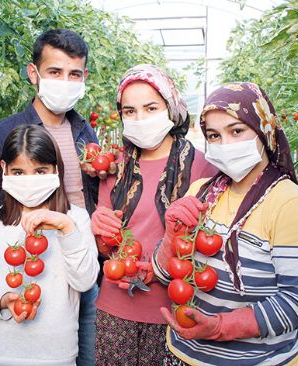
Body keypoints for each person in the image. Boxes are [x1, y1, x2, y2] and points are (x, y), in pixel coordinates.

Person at [152, 82, 298, 366]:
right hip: (184, 355)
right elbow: (164, 274)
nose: (225, 144)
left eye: (237, 131)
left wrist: (220, 327)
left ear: (263, 130)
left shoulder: (291, 206)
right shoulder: (200, 192)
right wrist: (172, 236)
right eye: (214, 135)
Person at [0, 29, 107, 365]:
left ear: (84, 77)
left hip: (79, 263)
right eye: (55, 72)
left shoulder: (85, 132)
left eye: (74, 74)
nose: (65, 81)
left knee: (80, 353)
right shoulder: (1, 135)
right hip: (26, 266)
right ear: (34, 74)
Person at [90, 64, 216, 365]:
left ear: (170, 109)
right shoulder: (115, 168)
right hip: (114, 308)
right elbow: (106, 251)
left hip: (173, 308)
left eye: (150, 107)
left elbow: (210, 241)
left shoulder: (201, 167)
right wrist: (98, 229)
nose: (140, 118)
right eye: (130, 111)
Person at [0, 125, 99, 366]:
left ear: (56, 170)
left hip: (58, 357)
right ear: (4, 169)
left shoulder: (76, 220)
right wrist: (3, 299)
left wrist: (66, 229)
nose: (30, 180)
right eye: (19, 172)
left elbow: (85, 282)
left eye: (41, 171)